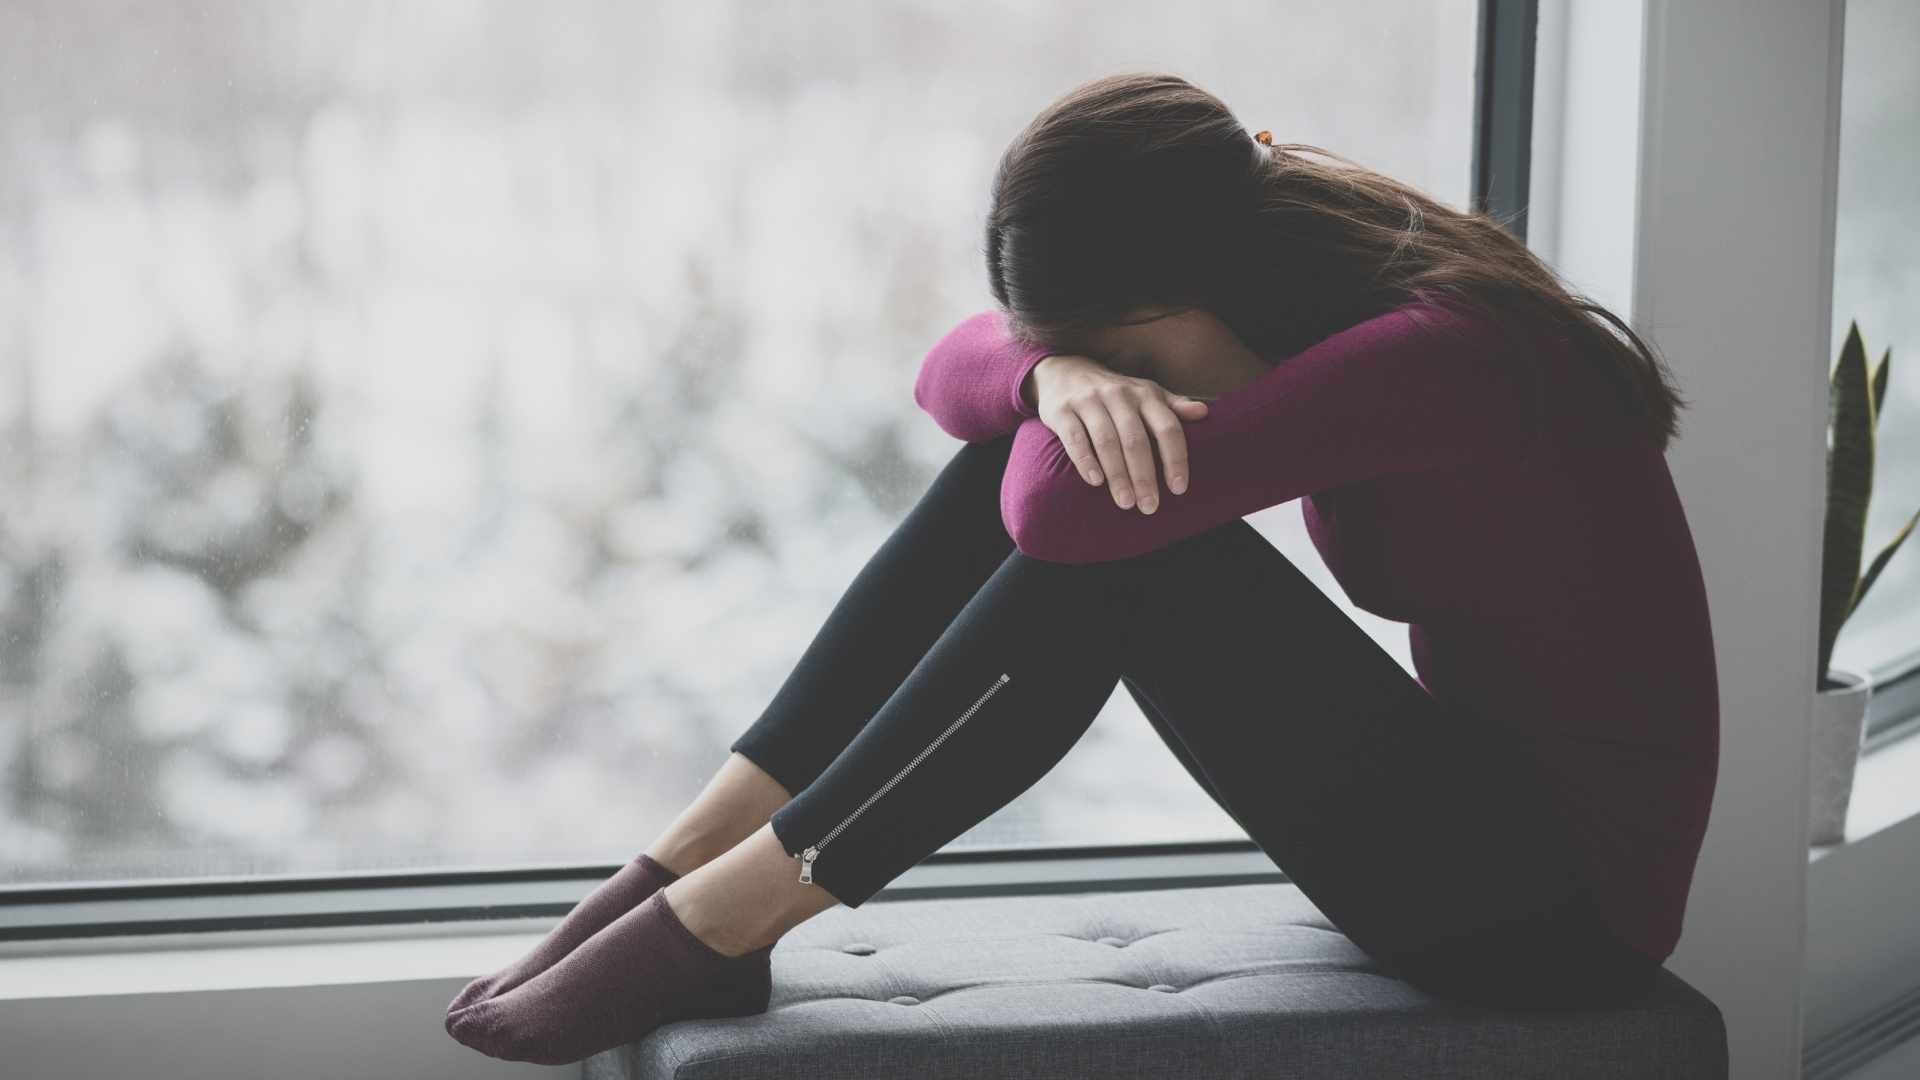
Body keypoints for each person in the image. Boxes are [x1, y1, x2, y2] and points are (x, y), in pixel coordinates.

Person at [445, 71, 1720, 1067]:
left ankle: (730, 916)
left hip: (1553, 921)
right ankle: (687, 860)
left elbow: (1061, 526)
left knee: (1127, 549)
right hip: (1461, 834)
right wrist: (1053, 375)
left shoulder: (1438, 356)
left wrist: (1059, 407)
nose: (1140, 395)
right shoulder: (1306, 281)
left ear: (1200, 284)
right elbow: (951, 376)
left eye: (1140, 362)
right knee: (1032, 462)